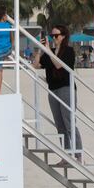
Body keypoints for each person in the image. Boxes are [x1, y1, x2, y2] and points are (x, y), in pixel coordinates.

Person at [34, 24, 82, 165]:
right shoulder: (49, 51)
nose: (53, 38)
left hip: (66, 88)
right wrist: (39, 49)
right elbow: (35, 65)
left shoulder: (69, 51)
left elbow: (59, 65)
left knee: (69, 123)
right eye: (51, 36)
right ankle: (66, 155)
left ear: (63, 36)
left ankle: (79, 156)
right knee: (59, 125)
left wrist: (48, 50)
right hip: (53, 90)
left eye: (56, 35)